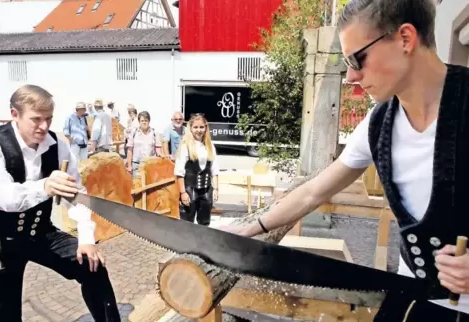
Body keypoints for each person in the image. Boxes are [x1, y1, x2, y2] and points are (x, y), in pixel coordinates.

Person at [219, 0, 469, 321]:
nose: (350, 76)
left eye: (356, 59)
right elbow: (313, 192)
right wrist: (249, 225)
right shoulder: (379, 125)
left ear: (405, 38)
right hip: (411, 302)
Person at [0, 85, 121, 321]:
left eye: (49, 119)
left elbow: (77, 194)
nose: (44, 126)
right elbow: (0, 195)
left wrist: (87, 239)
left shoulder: (58, 145)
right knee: (4, 314)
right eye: (36, 119)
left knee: (92, 265)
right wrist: (44, 186)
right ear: (14, 114)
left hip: (40, 232)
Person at [174, 114, 219, 226]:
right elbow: (179, 173)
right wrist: (183, 193)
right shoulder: (185, 146)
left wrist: (216, 189)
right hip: (190, 190)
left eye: (201, 127)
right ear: (191, 128)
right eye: (196, 127)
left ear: (205, 128)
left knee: (204, 223)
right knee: (187, 223)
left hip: (206, 191)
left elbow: (215, 169)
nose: (199, 130)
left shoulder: (210, 146)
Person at [125, 111, 162, 177]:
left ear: (149, 121)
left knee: (150, 185)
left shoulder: (154, 133)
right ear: (139, 121)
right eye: (142, 121)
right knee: (137, 185)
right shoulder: (134, 132)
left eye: (146, 120)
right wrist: (130, 166)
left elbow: (158, 149)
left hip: (150, 165)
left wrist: (161, 157)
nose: (144, 122)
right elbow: (129, 150)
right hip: (136, 165)